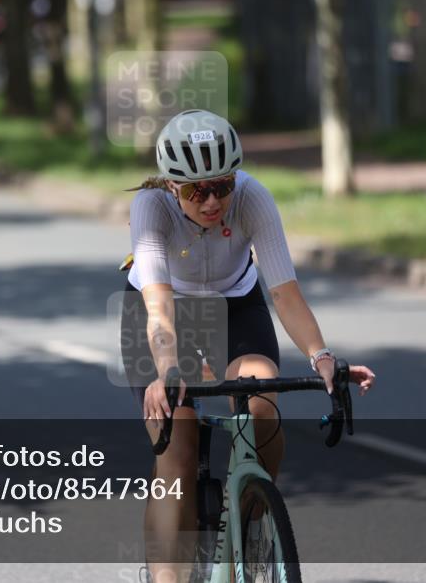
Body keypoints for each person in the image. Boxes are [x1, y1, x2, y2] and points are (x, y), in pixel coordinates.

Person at [120, 109, 376, 582]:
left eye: (222, 185)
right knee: (176, 448)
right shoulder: (151, 208)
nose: (213, 200)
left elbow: (285, 294)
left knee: (261, 397)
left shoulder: (253, 198)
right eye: (197, 190)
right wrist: (167, 371)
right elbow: (158, 310)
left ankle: (251, 514)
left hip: (236, 303)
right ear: (173, 185)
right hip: (163, 312)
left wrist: (322, 357)